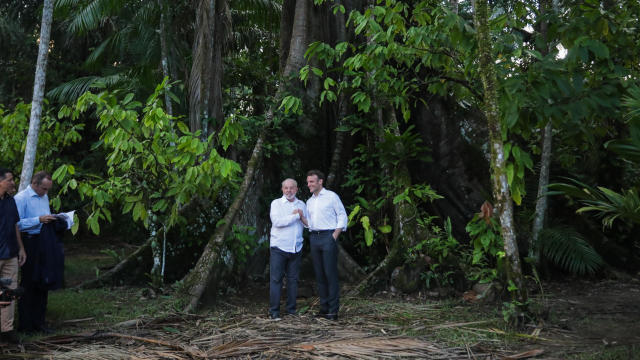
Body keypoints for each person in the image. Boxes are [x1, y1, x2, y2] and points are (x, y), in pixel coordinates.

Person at [14, 171, 57, 334]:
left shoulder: (44, 196)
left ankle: (40, 322)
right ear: (35, 184)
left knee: (43, 281)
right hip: (29, 241)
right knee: (29, 283)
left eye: (48, 190)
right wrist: (38, 220)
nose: (46, 193)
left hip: (44, 241)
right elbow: (16, 224)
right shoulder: (21, 198)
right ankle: (26, 325)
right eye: (44, 189)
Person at [306, 170, 347, 321]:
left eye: (311, 181)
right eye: (308, 182)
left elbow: (342, 215)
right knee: (320, 275)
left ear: (320, 181)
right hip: (314, 238)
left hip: (328, 236)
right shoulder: (310, 201)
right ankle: (324, 308)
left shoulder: (331, 197)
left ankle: (333, 311)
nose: (308, 184)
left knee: (330, 274)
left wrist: (334, 236)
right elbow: (310, 222)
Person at [268, 178, 308, 320]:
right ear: (282, 189)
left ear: (296, 189)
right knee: (276, 280)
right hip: (279, 247)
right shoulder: (276, 204)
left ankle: (291, 310)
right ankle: (274, 311)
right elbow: (277, 222)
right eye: (286, 188)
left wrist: (301, 216)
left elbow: (308, 224)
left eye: (292, 188)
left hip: (296, 248)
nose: (289, 190)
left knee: (293, 280)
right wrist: (295, 215)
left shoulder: (302, 204)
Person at [0, 168, 26, 343]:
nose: (13, 183)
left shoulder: (10, 201)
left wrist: (21, 248)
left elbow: (15, 225)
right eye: (9, 180)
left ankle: (6, 330)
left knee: (9, 292)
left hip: (10, 254)